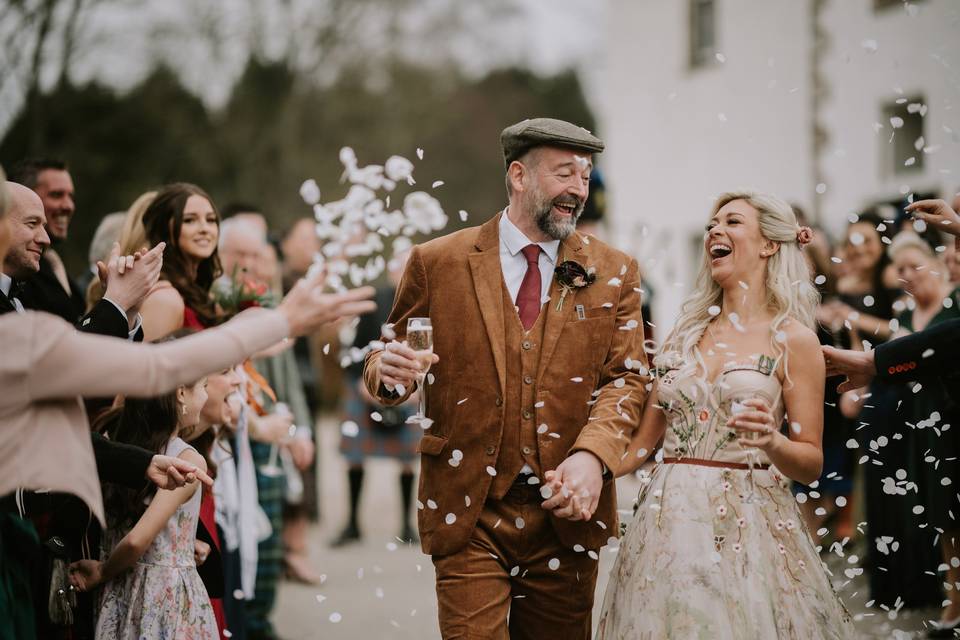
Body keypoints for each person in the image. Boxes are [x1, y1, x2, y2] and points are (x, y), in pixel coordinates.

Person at [0, 169, 376, 640]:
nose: (45, 236)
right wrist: (279, 321)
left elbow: (68, 418)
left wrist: (144, 463)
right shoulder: (29, 319)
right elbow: (152, 373)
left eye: (210, 219)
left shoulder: (21, 305)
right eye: (29, 223)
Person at [363, 117, 648, 638]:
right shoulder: (437, 262)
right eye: (565, 174)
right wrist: (387, 373)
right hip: (468, 511)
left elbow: (627, 379)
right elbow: (390, 360)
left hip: (567, 515)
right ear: (519, 176)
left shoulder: (616, 270)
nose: (578, 191)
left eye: (584, 177)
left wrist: (593, 457)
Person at [597, 190, 855, 638]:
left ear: (769, 244)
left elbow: (811, 463)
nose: (715, 230)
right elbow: (641, 445)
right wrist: (591, 470)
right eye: (711, 225)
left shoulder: (794, 338)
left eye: (732, 222)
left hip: (748, 524)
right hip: (667, 524)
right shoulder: (685, 331)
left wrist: (772, 442)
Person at [71, 372, 218, 639]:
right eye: (204, 387)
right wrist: (102, 572)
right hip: (162, 597)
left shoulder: (117, 446)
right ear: (181, 393)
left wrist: (184, 542)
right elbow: (137, 541)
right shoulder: (186, 459)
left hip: (119, 592)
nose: (207, 396)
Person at [333, 249, 419, 547]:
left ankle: (408, 525)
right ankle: (352, 523)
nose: (403, 271)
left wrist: (417, 390)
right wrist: (362, 384)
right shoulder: (373, 302)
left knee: (408, 460)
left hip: (412, 394)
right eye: (399, 264)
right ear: (390, 268)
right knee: (354, 458)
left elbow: (436, 352)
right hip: (365, 389)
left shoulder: (430, 300)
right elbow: (355, 347)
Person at [139, 182, 223, 339]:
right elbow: (145, 362)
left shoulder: (204, 296)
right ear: (164, 230)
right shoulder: (164, 299)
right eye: (189, 220)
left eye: (211, 220)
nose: (205, 229)